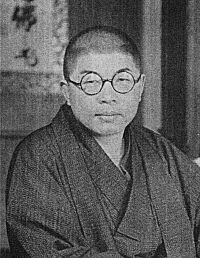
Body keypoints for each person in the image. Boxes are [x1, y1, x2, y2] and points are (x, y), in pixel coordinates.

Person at [6, 26, 200, 258]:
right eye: (90, 82)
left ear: (140, 87)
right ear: (67, 92)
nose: (108, 97)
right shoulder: (38, 156)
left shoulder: (160, 151)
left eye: (123, 79)